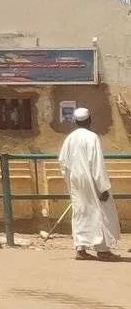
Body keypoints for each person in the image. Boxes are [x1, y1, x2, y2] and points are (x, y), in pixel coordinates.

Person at [57, 107, 120, 261]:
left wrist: (70, 181)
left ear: (76, 121)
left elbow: (63, 162)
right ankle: (103, 250)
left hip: (75, 180)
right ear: (89, 119)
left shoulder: (69, 138)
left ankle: (80, 248)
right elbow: (97, 163)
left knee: (81, 211)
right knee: (100, 211)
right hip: (92, 180)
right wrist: (102, 187)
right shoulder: (92, 137)